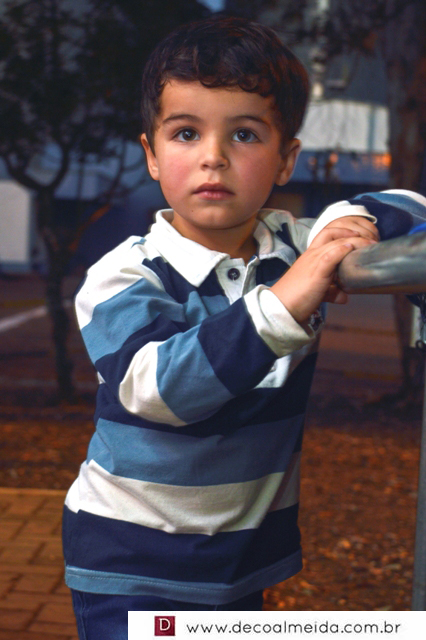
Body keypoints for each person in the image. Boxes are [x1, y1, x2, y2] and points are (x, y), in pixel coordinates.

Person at [62, 14, 426, 637]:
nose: (214, 157)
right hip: (131, 562)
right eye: (185, 133)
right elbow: (159, 388)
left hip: (239, 563)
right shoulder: (123, 275)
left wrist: (349, 220)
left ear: (286, 160)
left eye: (245, 134)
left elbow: (412, 207)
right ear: (151, 156)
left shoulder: (296, 248)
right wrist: (284, 302)